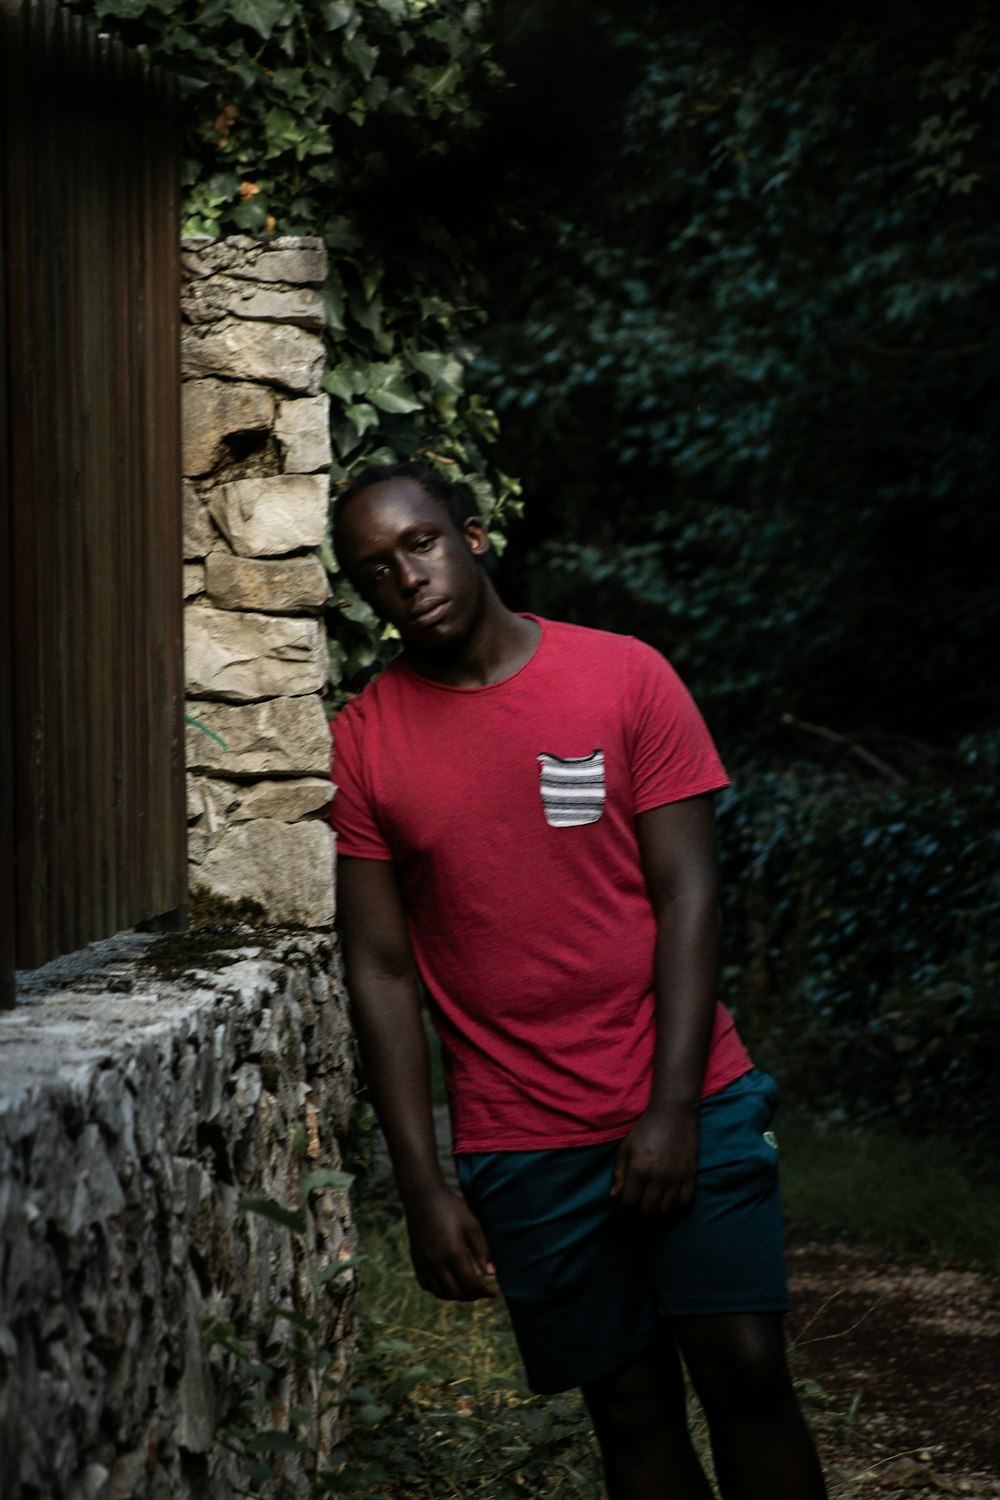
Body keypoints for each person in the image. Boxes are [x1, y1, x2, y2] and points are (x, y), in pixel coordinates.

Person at [329, 460, 827, 1500]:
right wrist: (425, 1184)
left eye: (419, 543)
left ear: (470, 535)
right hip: (522, 1139)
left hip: (689, 1096)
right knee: (631, 1413)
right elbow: (379, 971)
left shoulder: (625, 676)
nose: (406, 577)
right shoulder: (364, 742)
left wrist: (673, 1110)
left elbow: (690, 898)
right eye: (375, 570)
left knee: (744, 1371)